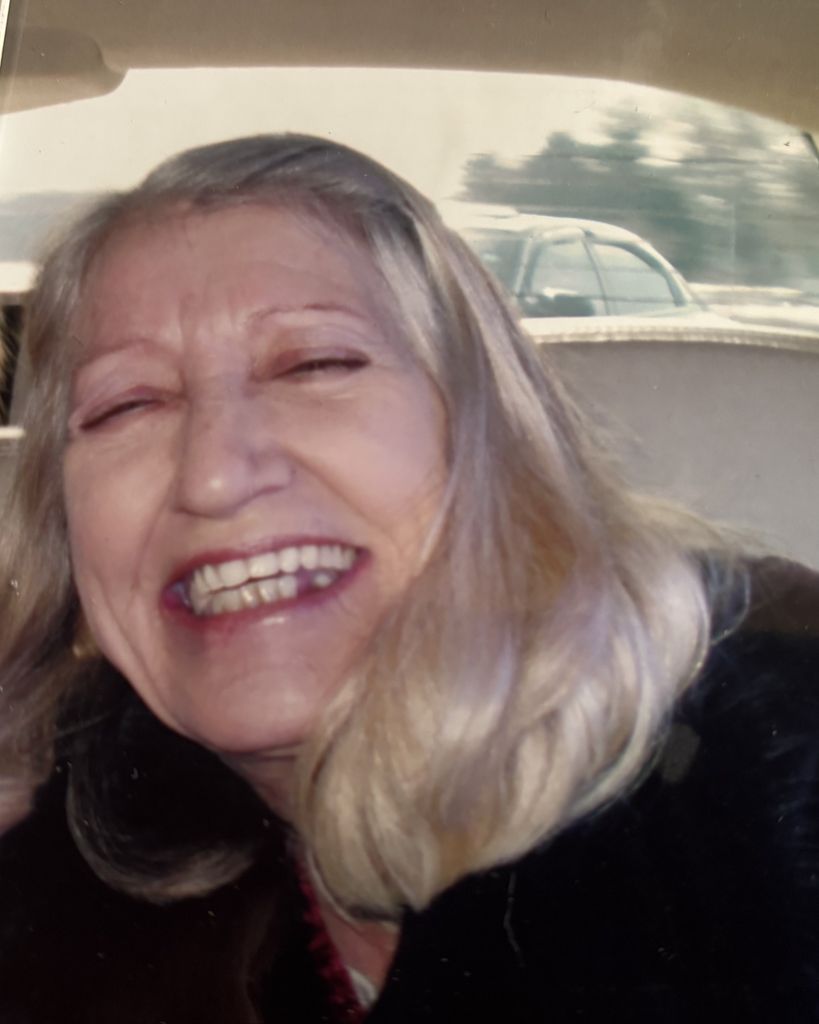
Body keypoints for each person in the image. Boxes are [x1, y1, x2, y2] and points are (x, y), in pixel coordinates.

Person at [0, 134, 816, 1023]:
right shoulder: (66, 881)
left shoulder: (765, 787)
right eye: (129, 404)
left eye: (315, 364)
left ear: (493, 438)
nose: (214, 475)